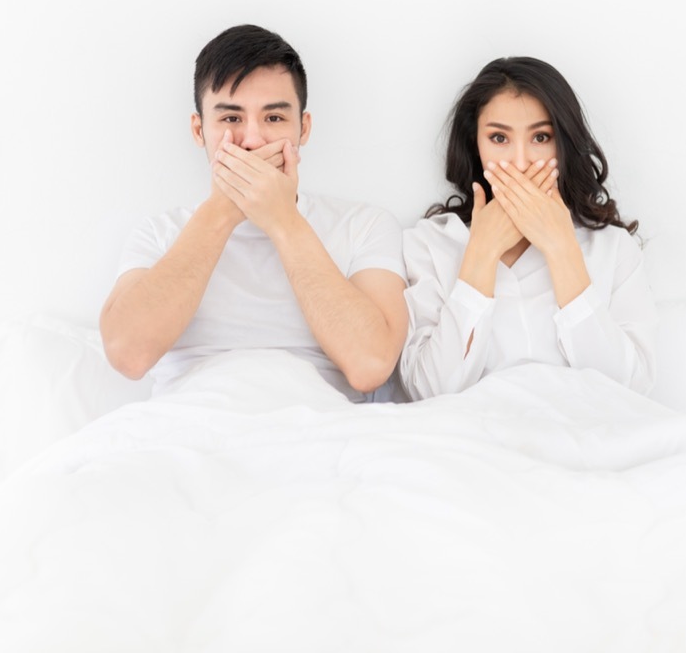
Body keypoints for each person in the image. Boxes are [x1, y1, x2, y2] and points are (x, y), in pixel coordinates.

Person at [100, 24, 408, 402]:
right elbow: (127, 355)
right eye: (231, 119)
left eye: (274, 118)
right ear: (199, 130)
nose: (252, 140)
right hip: (191, 422)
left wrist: (283, 221)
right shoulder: (159, 234)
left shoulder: (364, 226)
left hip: (318, 423)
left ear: (303, 128)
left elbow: (371, 365)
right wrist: (222, 212)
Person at [399, 56, 656, 400]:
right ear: (475, 144)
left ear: (563, 143)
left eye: (540, 137)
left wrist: (562, 250)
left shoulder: (612, 247)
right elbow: (428, 392)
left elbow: (630, 391)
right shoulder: (430, 243)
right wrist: (481, 254)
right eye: (499, 138)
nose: (520, 163)